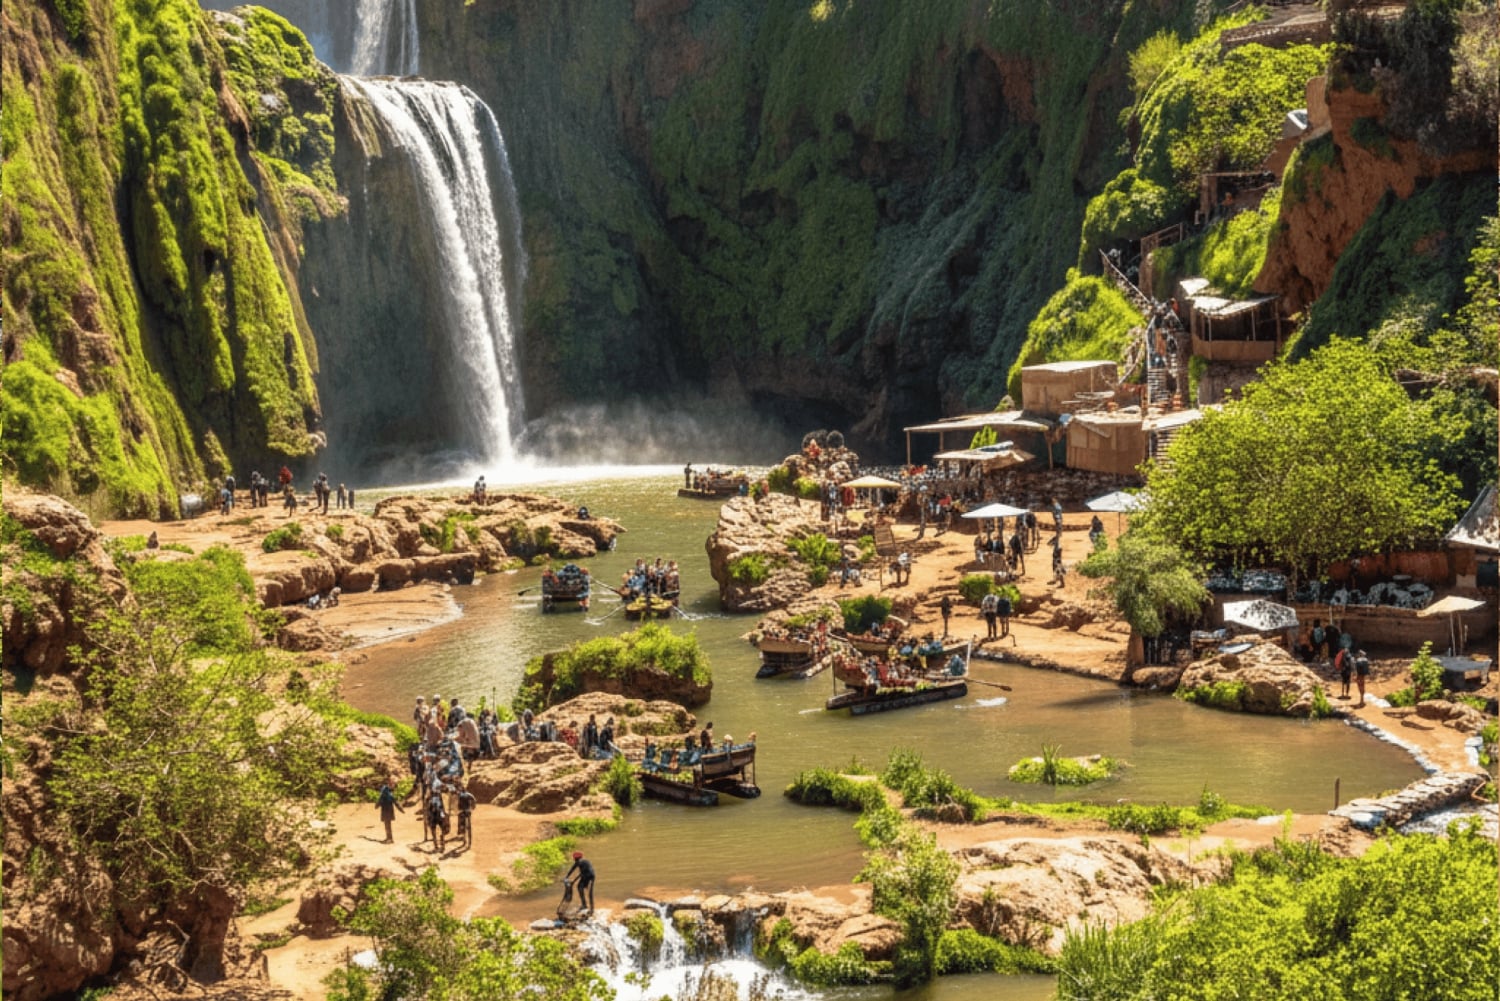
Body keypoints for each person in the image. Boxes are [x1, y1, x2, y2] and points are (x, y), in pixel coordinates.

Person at [565, 851, 595, 916]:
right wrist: (566, 876)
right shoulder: (579, 862)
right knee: (580, 887)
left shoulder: (581, 862)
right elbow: (572, 869)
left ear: (575, 859)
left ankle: (590, 908)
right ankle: (584, 905)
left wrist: (574, 881)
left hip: (589, 877)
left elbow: (581, 873)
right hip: (587, 876)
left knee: (589, 892)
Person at [377, 778, 405, 843]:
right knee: (387, 824)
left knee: (388, 824)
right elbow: (382, 798)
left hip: (388, 809)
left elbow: (394, 801)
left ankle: (390, 838)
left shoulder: (388, 792)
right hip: (386, 809)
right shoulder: (386, 791)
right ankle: (388, 838)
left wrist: (400, 809)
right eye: (393, 785)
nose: (394, 787)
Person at [456, 784, 476, 849]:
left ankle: (462, 836)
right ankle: (469, 842)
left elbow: (458, 804)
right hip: (468, 811)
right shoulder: (469, 794)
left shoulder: (459, 795)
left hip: (462, 812)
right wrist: (473, 807)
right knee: (469, 826)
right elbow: (474, 800)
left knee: (461, 824)